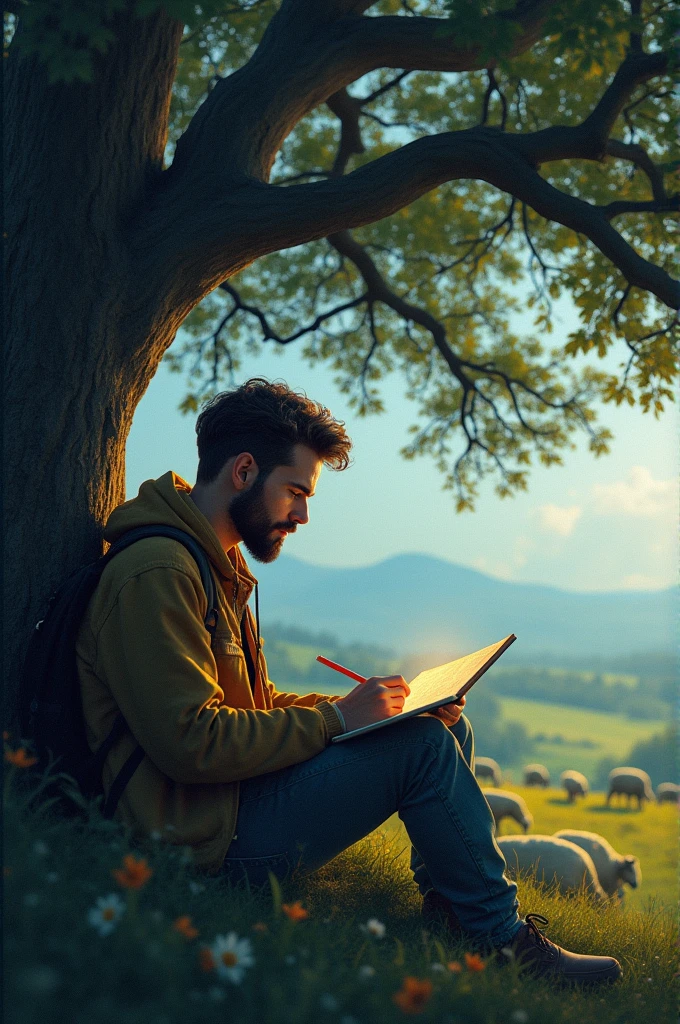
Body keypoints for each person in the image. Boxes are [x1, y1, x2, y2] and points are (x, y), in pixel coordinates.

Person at [76, 377, 621, 984]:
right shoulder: (158, 572)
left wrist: (368, 707)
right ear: (244, 470)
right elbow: (191, 742)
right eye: (295, 492)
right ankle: (502, 940)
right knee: (421, 748)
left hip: (229, 798)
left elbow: (251, 707)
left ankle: (453, 907)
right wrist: (337, 720)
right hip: (197, 835)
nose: (304, 514)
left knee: (438, 727)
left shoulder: (212, 564)